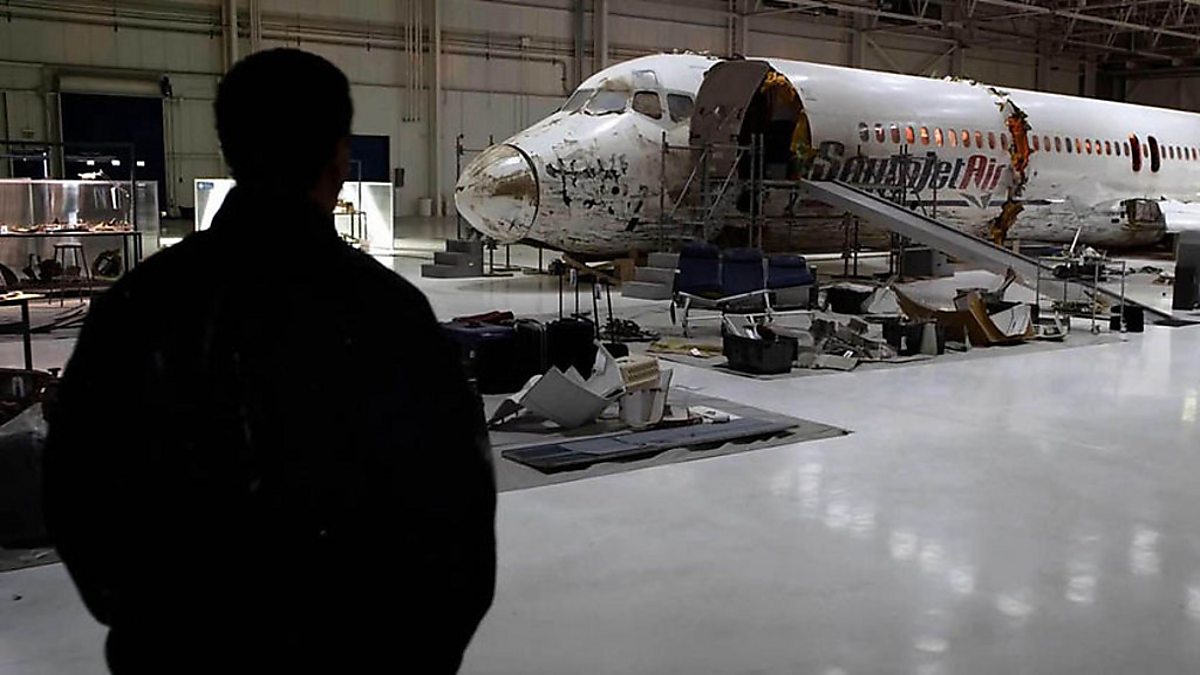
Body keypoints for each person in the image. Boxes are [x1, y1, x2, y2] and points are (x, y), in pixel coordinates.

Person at [43, 48, 496, 674]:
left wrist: (148, 620)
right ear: (339, 158)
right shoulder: (390, 316)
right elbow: (456, 514)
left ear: (228, 150)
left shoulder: (138, 306)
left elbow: (76, 483)